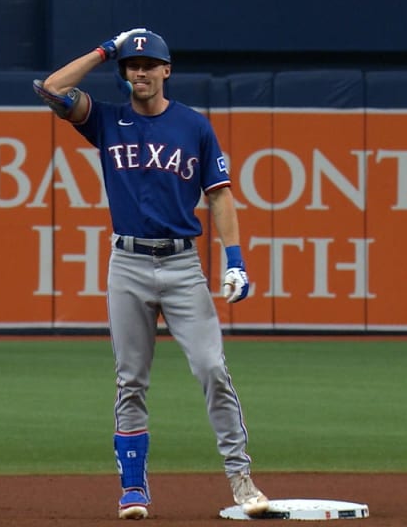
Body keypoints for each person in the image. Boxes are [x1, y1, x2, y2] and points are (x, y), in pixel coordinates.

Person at [31, 28, 270, 519]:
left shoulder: (194, 126)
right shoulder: (107, 121)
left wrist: (236, 260)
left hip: (183, 264)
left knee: (212, 369)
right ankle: (134, 489)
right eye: (130, 65)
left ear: (167, 70)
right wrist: (104, 51)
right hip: (129, 263)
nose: (138, 71)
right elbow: (51, 89)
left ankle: (241, 480)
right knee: (130, 381)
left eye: (147, 64)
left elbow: (220, 194)